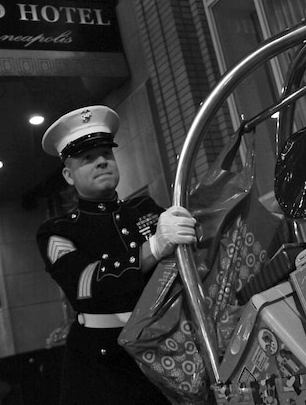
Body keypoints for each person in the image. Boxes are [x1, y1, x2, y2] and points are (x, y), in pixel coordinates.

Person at [36, 105, 197, 405]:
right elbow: (86, 285)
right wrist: (153, 249)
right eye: (88, 158)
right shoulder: (57, 232)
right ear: (69, 175)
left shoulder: (147, 211)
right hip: (103, 367)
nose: (101, 162)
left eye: (106, 155)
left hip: (165, 350)